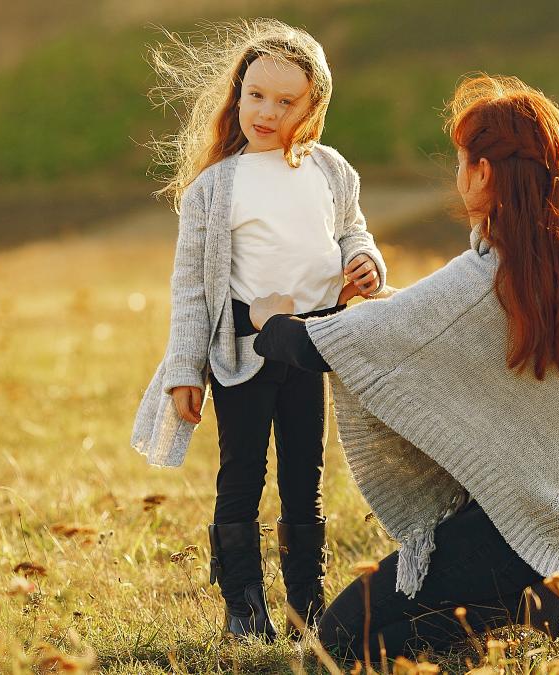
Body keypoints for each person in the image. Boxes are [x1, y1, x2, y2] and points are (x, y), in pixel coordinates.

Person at [249, 74, 559, 671]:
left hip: (532, 527)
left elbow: (319, 347)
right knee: (404, 624)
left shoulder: (483, 281)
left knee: (332, 647)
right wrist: (391, 303)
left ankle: (530, 606)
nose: (458, 173)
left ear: (485, 174)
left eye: (463, 160)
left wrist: (270, 320)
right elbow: (454, 326)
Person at [130, 19, 386, 642]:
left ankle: (307, 605)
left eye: (285, 101)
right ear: (237, 94)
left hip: (311, 344)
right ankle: (244, 608)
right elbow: (192, 289)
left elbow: (352, 229)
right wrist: (185, 371)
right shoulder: (213, 190)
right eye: (255, 95)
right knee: (241, 474)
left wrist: (366, 260)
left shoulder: (330, 170)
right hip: (240, 351)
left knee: (306, 476)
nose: (266, 112)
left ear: (313, 107)